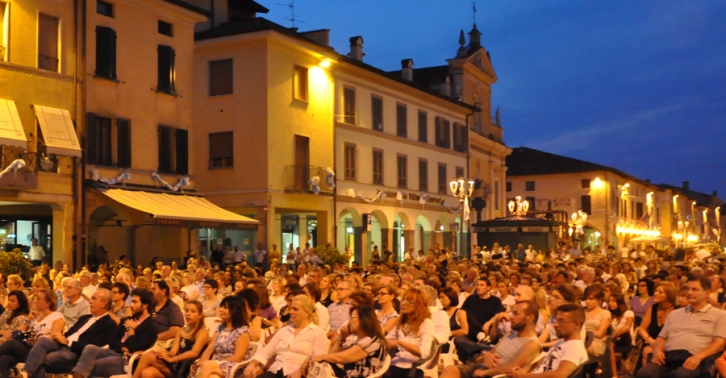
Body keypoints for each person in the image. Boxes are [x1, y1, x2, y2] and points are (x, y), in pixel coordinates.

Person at [637, 275, 726, 378]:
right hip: (669, 358)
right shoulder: (674, 314)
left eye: (694, 289)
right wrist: (657, 351)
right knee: (645, 373)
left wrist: (698, 357)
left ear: (706, 293)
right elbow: (662, 338)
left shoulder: (720, 315)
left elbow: (719, 344)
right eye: (687, 289)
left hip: (697, 360)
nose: (689, 292)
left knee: (681, 375)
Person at [21, 289, 117, 378]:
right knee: (43, 340)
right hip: (61, 345)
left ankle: (26, 373)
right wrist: (61, 336)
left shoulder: (108, 323)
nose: (90, 302)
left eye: (94, 299)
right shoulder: (85, 317)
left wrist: (67, 342)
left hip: (76, 352)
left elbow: (92, 348)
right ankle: (25, 374)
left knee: (43, 359)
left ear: (103, 303)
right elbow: (70, 334)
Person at [70, 288, 158, 378]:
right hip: (115, 351)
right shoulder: (127, 319)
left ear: (145, 305)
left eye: (135, 302)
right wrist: (122, 347)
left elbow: (133, 347)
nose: (131, 305)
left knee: (91, 365)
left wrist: (130, 329)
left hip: (126, 360)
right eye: (131, 301)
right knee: (90, 348)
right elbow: (112, 340)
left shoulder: (151, 326)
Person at [441, 301, 540, 378]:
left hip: (494, 375)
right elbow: (492, 352)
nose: (511, 317)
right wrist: (486, 354)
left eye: (516, 314)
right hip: (482, 367)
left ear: (530, 317)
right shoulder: (511, 333)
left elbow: (513, 368)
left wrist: (484, 373)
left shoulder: (532, 343)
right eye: (511, 313)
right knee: (450, 370)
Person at [243, 295, 329, 378]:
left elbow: (319, 360)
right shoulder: (284, 330)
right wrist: (253, 364)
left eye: (295, 309)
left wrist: (300, 371)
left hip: (301, 374)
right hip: (276, 370)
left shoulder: (317, 332)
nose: (291, 312)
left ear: (307, 312)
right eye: (291, 308)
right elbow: (266, 351)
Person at [303, 306, 387, 378]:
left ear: (364, 319)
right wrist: (341, 337)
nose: (349, 321)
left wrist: (311, 358)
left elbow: (340, 358)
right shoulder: (360, 340)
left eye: (353, 317)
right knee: (321, 365)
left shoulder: (372, 340)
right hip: (345, 374)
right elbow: (331, 356)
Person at [133, 300, 209, 378]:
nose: (188, 314)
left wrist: (172, 359)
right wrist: (164, 353)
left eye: (193, 311)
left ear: (200, 315)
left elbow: (194, 353)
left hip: (186, 367)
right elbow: (173, 351)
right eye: (186, 311)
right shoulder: (181, 331)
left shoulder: (202, 332)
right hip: (174, 364)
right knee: (147, 373)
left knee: (147, 356)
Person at [0, 290, 64, 378]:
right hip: (27, 348)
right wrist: (28, 320)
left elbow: (54, 336)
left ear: (48, 303)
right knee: (4, 359)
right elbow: (16, 333)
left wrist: (37, 343)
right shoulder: (35, 318)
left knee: (11, 343)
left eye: (39, 299)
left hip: (40, 350)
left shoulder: (56, 315)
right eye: (35, 299)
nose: (35, 301)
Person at [516, 304, 588, 377]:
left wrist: (524, 376)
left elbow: (559, 375)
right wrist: (524, 371)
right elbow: (542, 361)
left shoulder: (575, 347)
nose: (555, 325)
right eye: (556, 320)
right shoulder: (562, 342)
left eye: (561, 321)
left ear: (576, 324)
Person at [193, 296, 251, 378]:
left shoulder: (242, 332)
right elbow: (209, 349)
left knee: (206, 366)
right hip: (215, 365)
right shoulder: (220, 328)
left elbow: (238, 358)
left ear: (235, 311)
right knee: (212, 376)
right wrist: (201, 361)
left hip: (234, 366)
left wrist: (214, 362)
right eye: (221, 306)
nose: (220, 309)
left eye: (225, 307)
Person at [384, 288, 435, 378]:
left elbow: (424, 352)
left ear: (419, 305)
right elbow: (387, 340)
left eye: (410, 301)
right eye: (403, 299)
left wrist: (400, 342)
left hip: (415, 367)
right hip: (397, 363)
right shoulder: (402, 322)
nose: (403, 303)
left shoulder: (426, 323)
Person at [455, 277, 505, 359]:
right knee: (457, 339)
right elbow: (461, 313)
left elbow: (498, 315)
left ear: (489, 287)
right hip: (471, 332)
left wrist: (489, 323)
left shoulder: (495, 301)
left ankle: (478, 344)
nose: (479, 287)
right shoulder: (471, 299)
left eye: (482, 285)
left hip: (487, 333)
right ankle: (481, 347)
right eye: (478, 285)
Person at [637, 282, 677, 365]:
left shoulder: (677, 310)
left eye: (660, 292)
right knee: (646, 350)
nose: (655, 293)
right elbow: (641, 329)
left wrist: (660, 346)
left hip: (670, 344)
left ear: (669, 295)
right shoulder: (653, 308)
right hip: (652, 343)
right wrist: (650, 340)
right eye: (656, 291)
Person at [583, 284, 611, 357]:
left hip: (596, 343)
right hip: (581, 340)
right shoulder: (583, 312)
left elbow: (600, 334)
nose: (587, 301)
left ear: (599, 300)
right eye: (586, 299)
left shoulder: (605, 313)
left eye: (591, 299)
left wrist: (583, 332)